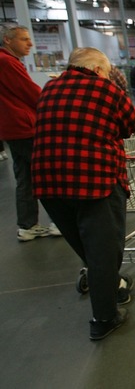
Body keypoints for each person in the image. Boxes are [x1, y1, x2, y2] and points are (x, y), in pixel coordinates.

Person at [32, 47, 135, 340]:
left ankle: (113, 284)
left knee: (86, 246)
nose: (107, 77)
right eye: (106, 71)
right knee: (104, 250)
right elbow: (134, 123)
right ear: (96, 69)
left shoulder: (49, 87)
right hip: (94, 180)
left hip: (49, 182)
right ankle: (104, 318)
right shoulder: (105, 89)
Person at [0, 24, 61, 241]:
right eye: (24, 39)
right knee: (49, 173)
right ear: (8, 40)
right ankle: (60, 222)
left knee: (25, 177)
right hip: (25, 128)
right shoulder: (7, 62)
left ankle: (28, 225)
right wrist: (53, 97)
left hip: (12, 130)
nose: (30, 43)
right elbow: (30, 92)